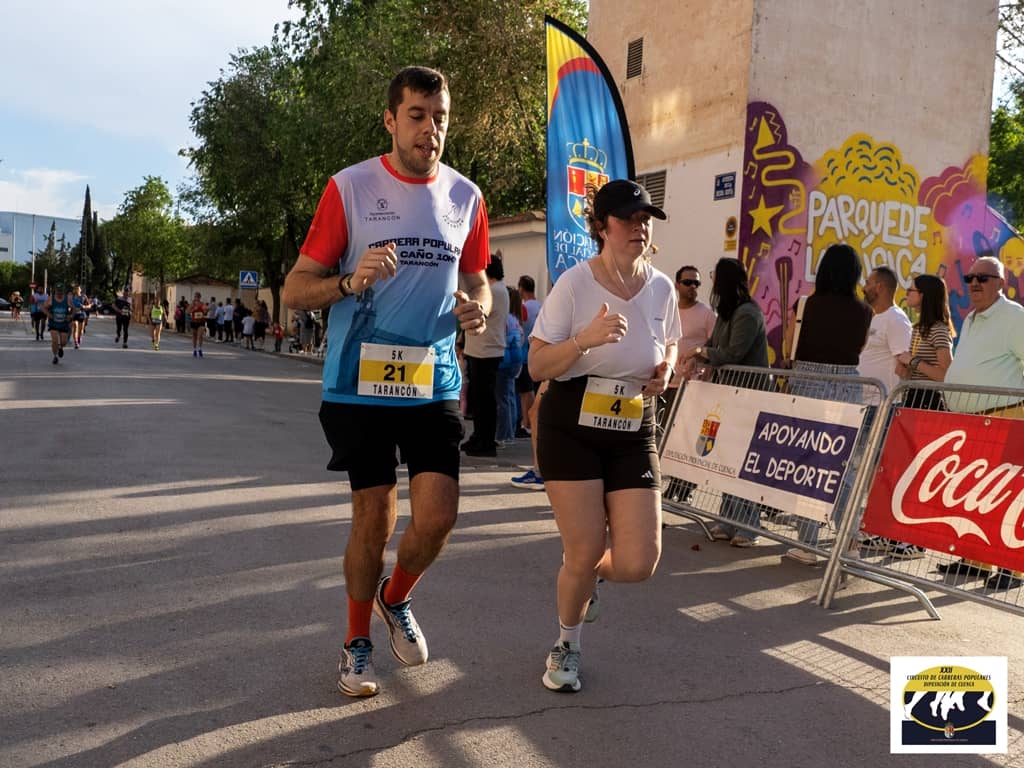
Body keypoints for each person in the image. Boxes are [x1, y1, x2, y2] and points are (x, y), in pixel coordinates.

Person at [281, 65, 491, 698]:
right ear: (391, 121)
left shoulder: (466, 197)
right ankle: (356, 643)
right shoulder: (350, 188)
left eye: (440, 118)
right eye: (418, 116)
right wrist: (349, 282)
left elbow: (478, 279)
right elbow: (294, 290)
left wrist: (477, 307)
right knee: (374, 517)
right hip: (359, 381)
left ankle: (394, 596)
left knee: (439, 516)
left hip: (433, 379)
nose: (431, 130)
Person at [528, 179, 679, 693]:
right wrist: (583, 340)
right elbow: (536, 365)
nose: (639, 227)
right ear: (601, 227)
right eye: (628, 219)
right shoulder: (575, 284)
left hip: (633, 424)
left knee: (639, 562)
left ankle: (589, 578)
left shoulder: (661, 287)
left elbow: (670, 342)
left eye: (645, 219)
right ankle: (566, 644)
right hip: (571, 424)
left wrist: (666, 369)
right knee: (584, 549)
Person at [936, 256, 1024, 590]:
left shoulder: (1014, 316)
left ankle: (1012, 567)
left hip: (1006, 414)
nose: (974, 283)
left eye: (983, 278)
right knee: (975, 492)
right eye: (970, 278)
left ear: (1001, 283)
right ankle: (975, 560)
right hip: (973, 419)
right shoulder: (972, 317)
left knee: (1008, 495)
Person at [783, 243, 872, 563]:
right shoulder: (864, 311)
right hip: (848, 386)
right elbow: (859, 349)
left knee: (807, 463)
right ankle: (850, 539)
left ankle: (808, 542)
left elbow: (790, 345)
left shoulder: (805, 305)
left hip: (808, 383)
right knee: (841, 465)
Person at [679, 258, 769, 545]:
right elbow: (714, 346)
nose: (709, 283)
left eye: (713, 276)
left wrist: (699, 353)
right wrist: (699, 355)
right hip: (727, 395)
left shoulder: (748, 313)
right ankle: (729, 519)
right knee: (726, 458)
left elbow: (732, 353)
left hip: (748, 395)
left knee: (741, 462)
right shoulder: (728, 313)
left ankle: (749, 526)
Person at [462, 257, 509, 457]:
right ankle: (479, 436)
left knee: (484, 401)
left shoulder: (493, 291)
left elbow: (477, 308)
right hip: (484, 349)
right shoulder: (502, 289)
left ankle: (485, 440)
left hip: (484, 351)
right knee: (481, 399)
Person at [895, 274, 954, 408]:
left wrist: (913, 361)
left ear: (923, 295)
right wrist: (905, 369)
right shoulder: (917, 328)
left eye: (910, 290)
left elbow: (946, 376)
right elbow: (914, 370)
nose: (906, 293)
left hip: (929, 400)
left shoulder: (938, 329)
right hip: (912, 396)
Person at [858, 266, 912, 402]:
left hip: (882, 403)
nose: (863, 288)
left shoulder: (896, 319)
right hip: (861, 401)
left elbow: (904, 364)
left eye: (867, 283)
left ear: (879, 287)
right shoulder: (873, 316)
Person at [496, 286, 524, 443]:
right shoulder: (515, 319)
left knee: (503, 399)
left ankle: (504, 435)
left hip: (504, 360)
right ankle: (510, 432)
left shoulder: (504, 318)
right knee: (510, 397)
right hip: (515, 359)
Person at [516, 275, 542, 438]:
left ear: (521, 288)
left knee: (525, 391)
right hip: (538, 352)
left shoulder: (524, 307)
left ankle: (527, 423)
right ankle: (529, 422)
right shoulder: (541, 305)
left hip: (524, 352)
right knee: (533, 389)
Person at [43, 284, 73, 365]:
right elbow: (43, 308)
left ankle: (61, 348)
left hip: (64, 323)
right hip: (53, 323)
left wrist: (70, 315)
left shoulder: (67, 299)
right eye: (58, 291)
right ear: (55, 291)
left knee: (64, 342)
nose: (59, 293)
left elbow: (74, 309)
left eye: (61, 291)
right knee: (55, 341)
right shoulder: (51, 299)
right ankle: (55, 356)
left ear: (63, 291)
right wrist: (48, 314)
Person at [69, 285, 90, 349]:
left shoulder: (84, 296)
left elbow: (89, 306)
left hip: (82, 314)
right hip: (74, 314)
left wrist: (84, 306)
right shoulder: (72, 297)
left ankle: (79, 338)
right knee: (75, 326)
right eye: (75, 289)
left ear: (80, 290)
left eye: (78, 289)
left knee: (81, 330)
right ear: (74, 290)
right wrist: (69, 309)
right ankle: (76, 342)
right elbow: (68, 305)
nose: (77, 290)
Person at [189, 292, 207, 357]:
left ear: (199, 297)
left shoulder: (202, 304)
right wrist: (193, 309)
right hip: (194, 321)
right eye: (195, 297)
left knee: (200, 335)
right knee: (194, 336)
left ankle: (200, 349)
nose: (196, 298)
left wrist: (205, 310)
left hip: (201, 322)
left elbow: (205, 311)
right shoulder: (192, 304)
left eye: (197, 297)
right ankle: (194, 350)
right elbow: (187, 311)